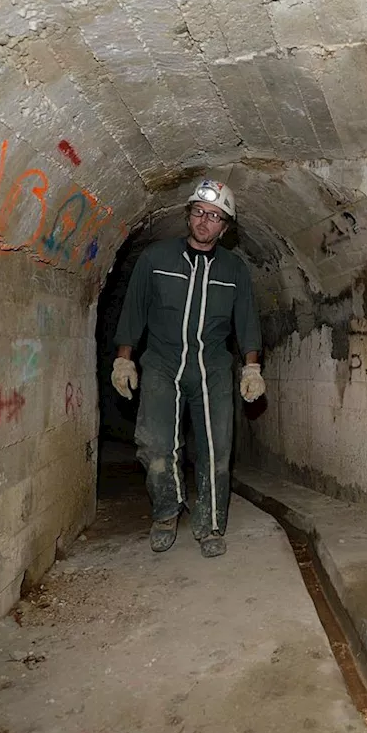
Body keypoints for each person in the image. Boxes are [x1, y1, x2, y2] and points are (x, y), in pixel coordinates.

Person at [111, 179, 264, 558]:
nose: (204, 221)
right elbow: (134, 310)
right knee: (155, 445)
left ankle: (210, 523)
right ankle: (166, 511)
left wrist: (251, 368)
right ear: (188, 215)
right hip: (163, 363)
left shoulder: (234, 270)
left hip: (211, 365)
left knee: (216, 448)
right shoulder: (155, 260)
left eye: (214, 217)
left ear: (224, 228)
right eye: (199, 212)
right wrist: (123, 358)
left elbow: (246, 321)